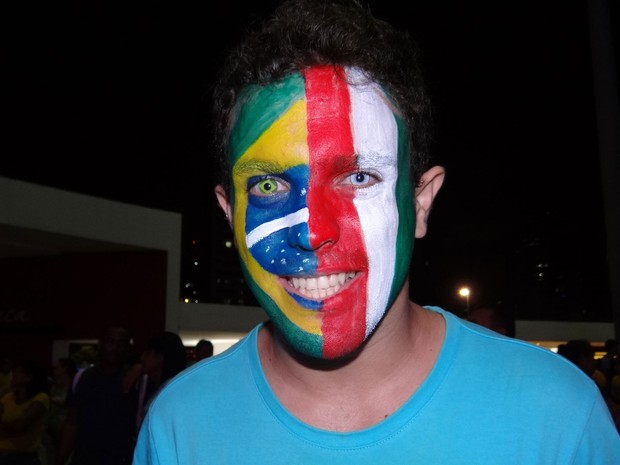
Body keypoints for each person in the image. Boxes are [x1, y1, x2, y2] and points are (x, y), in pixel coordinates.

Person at [133, 1, 620, 463]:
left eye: (359, 177)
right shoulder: (179, 426)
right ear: (228, 212)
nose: (314, 231)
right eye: (267, 184)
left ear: (421, 201)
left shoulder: (559, 416)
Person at [54, 325, 137, 465]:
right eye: (110, 342)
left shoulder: (135, 380)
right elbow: (72, 422)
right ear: (101, 343)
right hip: (84, 458)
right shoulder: (82, 377)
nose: (115, 348)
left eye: (121, 343)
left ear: (127, 348)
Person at [0, 360, 51, 465]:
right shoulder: (8, 397)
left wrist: (7, 428)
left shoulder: (40, 398)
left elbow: (20, 426)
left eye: (17, 372)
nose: (12, 375)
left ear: (29, 377)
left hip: (22, 457)